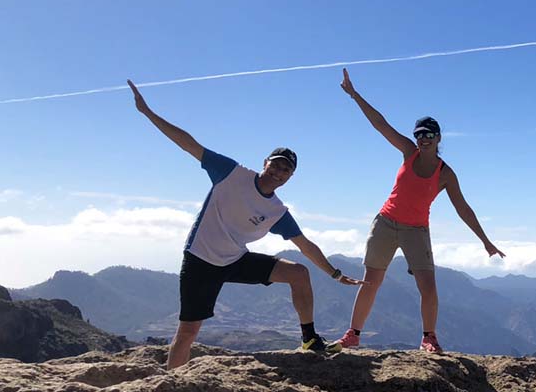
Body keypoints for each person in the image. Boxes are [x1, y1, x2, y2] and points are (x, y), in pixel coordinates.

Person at [127, 80, 361, 369]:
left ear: (290, 177)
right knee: (188, 332)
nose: (279, 171)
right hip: (200, 260)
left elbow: (305, 245)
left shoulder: (277, 211)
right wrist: (148, 112)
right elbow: (188, 144)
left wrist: (335, 274)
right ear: (265, 162)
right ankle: (169, 385)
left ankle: (310, 338)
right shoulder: (231, 173)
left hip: (235, 260)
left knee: (299, 273)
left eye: (286, 169)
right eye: (276, 164)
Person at [334, 68, 504, 352]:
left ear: (438, 139)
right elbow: (380, 124)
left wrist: (485, 241)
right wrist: (354, 95)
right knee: (371, 281)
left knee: (428, 287)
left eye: (428, 135)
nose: (422, 138)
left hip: (416, 230)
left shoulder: (445, 173)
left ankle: (429, 337)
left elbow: (464, 208)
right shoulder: (407, 152)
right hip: (386, 223)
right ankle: (353, 335)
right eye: (419, 134)